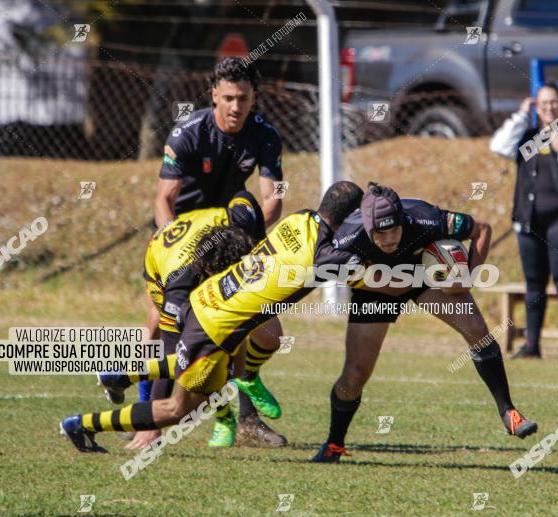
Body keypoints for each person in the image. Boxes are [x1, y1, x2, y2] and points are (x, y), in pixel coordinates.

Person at [59, 181, 366, 453]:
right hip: (213, 327)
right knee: (179, 409)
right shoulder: (321, 256)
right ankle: (82, 425)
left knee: (230, 367)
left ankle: (121, 375)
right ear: (350, 219)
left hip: (212, 305)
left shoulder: (299, 219)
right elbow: (363, 267)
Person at [311, 184, 539, 464]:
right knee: (355, 374)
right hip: (375, 286)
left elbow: (482, 229)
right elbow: (323, 266)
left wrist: (468, 277)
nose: (390, 238)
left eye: (394, 229)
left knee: (476, 328)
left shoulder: (425, 217)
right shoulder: (347, 238)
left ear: (402, 220)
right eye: (381, 233)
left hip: (421, 275)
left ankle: (509, 413)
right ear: (368, 229)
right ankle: (334, 445)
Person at [135, 56, 285, 449]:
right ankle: (146, 420)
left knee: (256, 327)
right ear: (214, 94)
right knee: (160, 327)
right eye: (229, 98)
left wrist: (243, 239)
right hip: (180, 238)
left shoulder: (265, 135)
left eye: (245, 98)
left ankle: (247, 421)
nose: (237, 107)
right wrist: (175, 247)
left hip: (231, 238)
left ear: (254, 97)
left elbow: (272, 200)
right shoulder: (188, 132)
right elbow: (163, 200)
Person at [99, 191, 287, 448]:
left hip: (194, 253)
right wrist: (153, 426)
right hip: (162, 269)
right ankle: (214, 416)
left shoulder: (239, 222)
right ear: (213, 271)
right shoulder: (179, 285)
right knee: (193, 361)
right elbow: (170, 350)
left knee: (268, 337)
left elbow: (243, 197)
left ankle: (246, 377)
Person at [489, 84, 558, 360]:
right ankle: (531, 346)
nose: (549, 107)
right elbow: (498, 146)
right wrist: (520, 117)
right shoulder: (528, 137)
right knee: (534, 284)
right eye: (543, 103)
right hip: (529, 220)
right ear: (537, 107)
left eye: (554, 102)